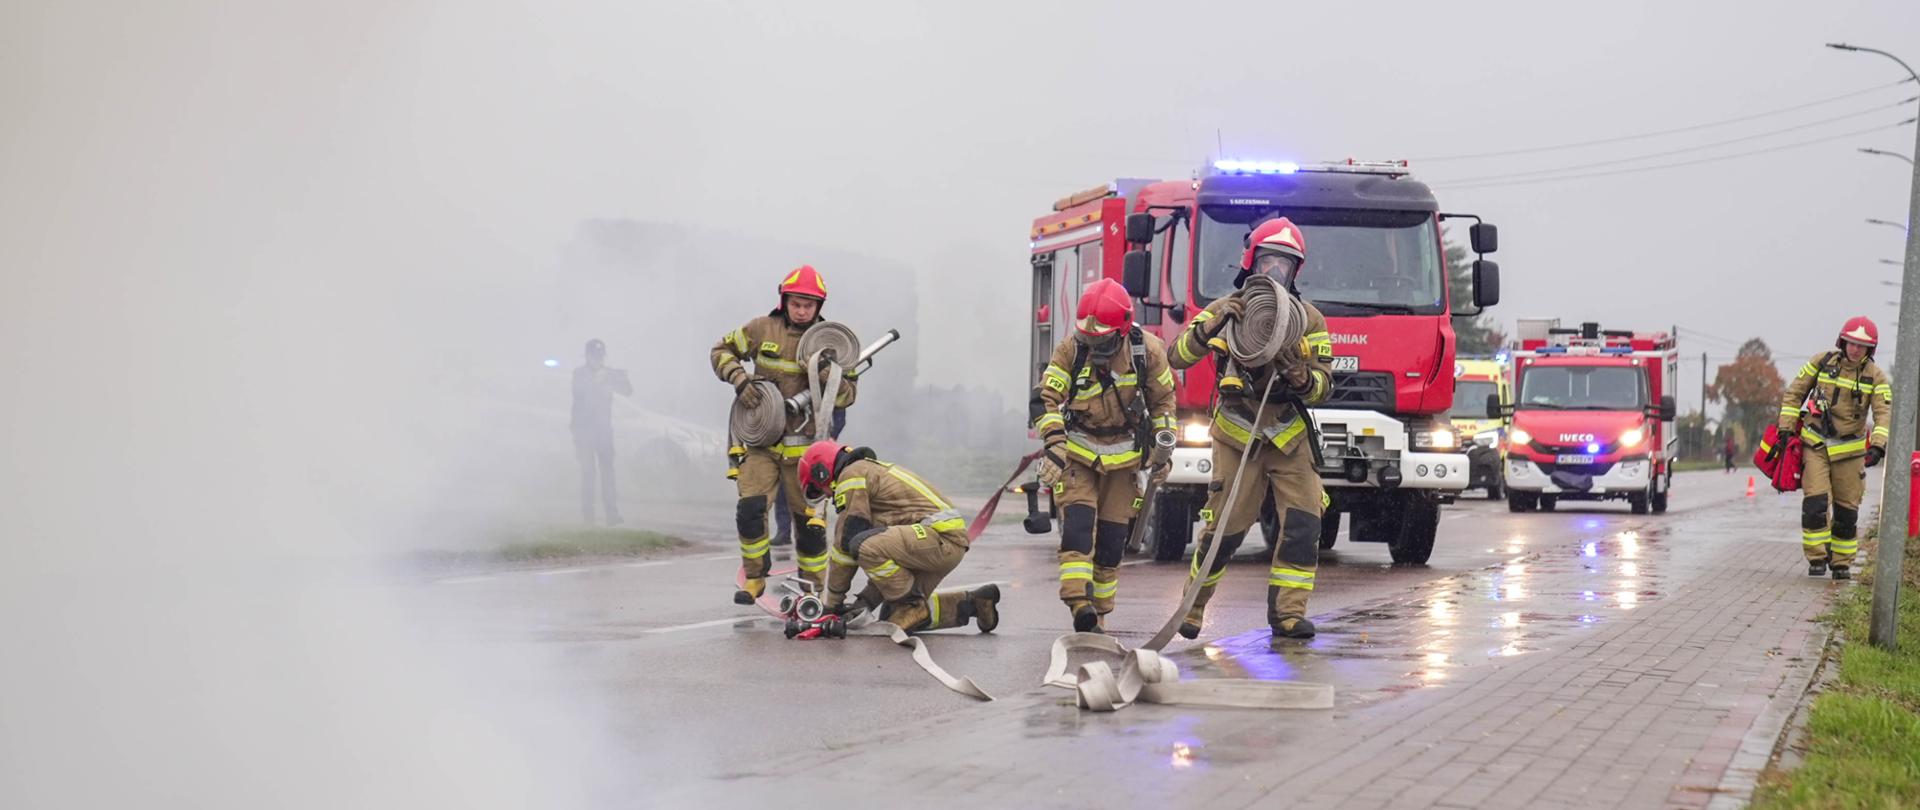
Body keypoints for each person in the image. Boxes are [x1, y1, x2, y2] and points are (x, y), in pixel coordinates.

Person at [1166, 217, 1335, 640]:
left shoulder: (1310, 320)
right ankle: (1191, 607)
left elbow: (1324, 386)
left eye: (1284, 264)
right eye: (1268, 262)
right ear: (1250, 262)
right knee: (1225, 528)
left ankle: (1288, 614)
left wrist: (1302, 378)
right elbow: (1177, 356)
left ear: (1296, 270)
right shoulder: (1227, 308)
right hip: (1238, 432)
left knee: (1304, 522)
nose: (1275, 271)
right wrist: (1211, 326)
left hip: (1288, 433)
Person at [1030, 278, 1177, 631]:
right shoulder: (1071, 349)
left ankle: (1100, 614)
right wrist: (1055, 443)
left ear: (1122, 329)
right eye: (1088, 339)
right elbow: (1043, 399)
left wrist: (1164, 449)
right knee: (1078, 530)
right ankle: (1079, 604)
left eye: (1101, 340)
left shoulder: (1148, 352)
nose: (1093, 346)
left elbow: (1163, 403)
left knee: (1112, 543)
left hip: (1125, 459)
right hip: (1078, 454)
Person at [710, 266, 857, 603]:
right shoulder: (761, 328)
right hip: (761, 444)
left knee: (809, 525)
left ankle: (812, 589)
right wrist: (740, 380)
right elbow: (720, 351)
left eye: (809, 305)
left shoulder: (832, 342)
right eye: (796, 304)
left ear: (819, 306)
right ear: (784, 301)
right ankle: (754, 578)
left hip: (807, 452)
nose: (802, 311)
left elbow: (848, 396)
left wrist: (828, 374)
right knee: (750, 510)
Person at [802, 441, 1000, 633]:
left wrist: (832, 605)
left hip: (939, 538)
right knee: (892, 615)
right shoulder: (867, 472)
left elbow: (845, 548)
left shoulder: (851, 475)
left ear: (822, 472)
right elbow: (886, 563)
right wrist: (864, 603)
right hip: (939, 543)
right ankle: (977, 603)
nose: (826, 495)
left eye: (817, 489)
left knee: (861, 546)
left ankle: (911, 605)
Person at [1777, 316, 1893, 580]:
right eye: (1851, 343)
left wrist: (1878, 446)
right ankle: (1817, 558)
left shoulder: (1876, 377)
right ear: (1842, 342)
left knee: (1846, 511)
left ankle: (1841, 563)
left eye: (1861, 346)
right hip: (1815, 443)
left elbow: (1883, 413)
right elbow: (1794, 393)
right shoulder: (1822, 362)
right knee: (1815, 503)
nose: (1855, 349)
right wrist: (1786, 427)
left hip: (1850, 452)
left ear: (1870, 349)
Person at [571, 338, 632, 526]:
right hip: (584, 431)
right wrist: (595, 382)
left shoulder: (608, 374)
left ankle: (612, 514)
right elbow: (579, 395)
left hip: (604, 431)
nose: (599, 360)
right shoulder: (579, 374)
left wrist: (620, 379)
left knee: (608, 474)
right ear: (587, 356)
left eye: (601, 357)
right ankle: (588, 516)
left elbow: (627, 391)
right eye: (595, 356)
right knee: (588, 473)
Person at [771, 407, 845, 547]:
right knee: (783, 492)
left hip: (817, 457)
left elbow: (839, 411)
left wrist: (829, 438)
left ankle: (813, 536)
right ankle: (783, 531)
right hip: (786, 452)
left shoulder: (825, 395)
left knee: (814, 495)